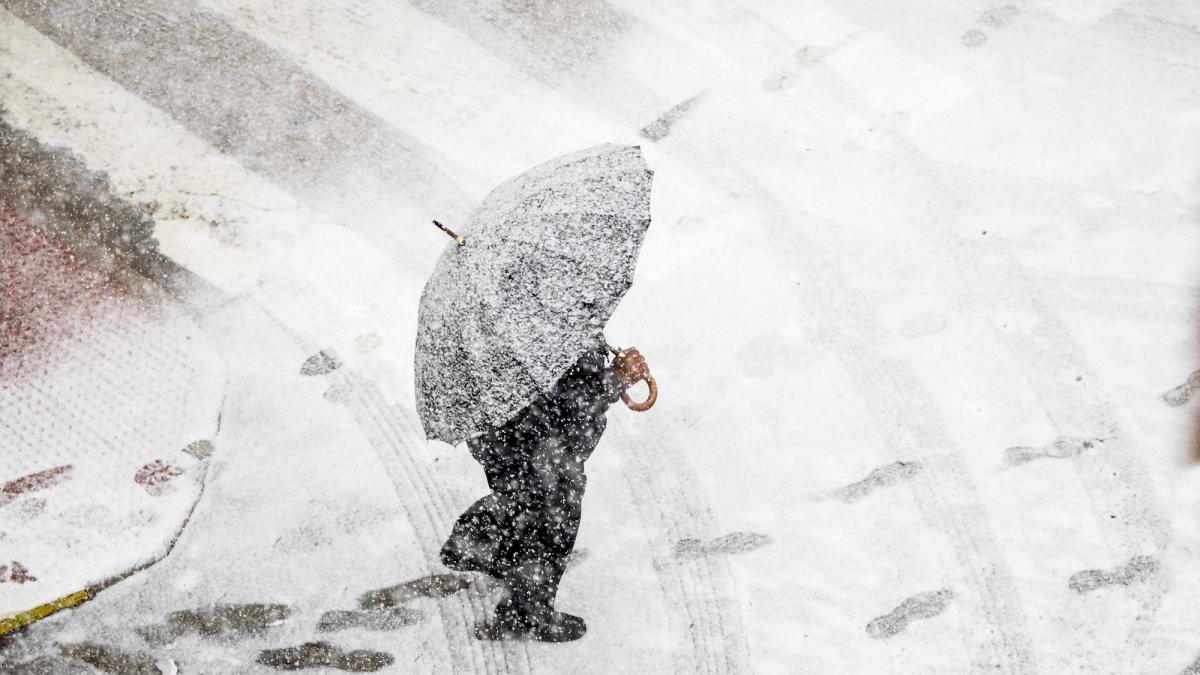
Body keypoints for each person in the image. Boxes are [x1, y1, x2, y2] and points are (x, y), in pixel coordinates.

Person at [440, 342, 650, 642]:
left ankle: (476, 542)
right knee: (554, 514)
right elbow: (563, 405)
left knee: (520, 495)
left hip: (497, 434)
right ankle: (526, 612)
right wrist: (614, 379)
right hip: (535, 442)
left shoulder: (506, 324)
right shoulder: (546, 322)